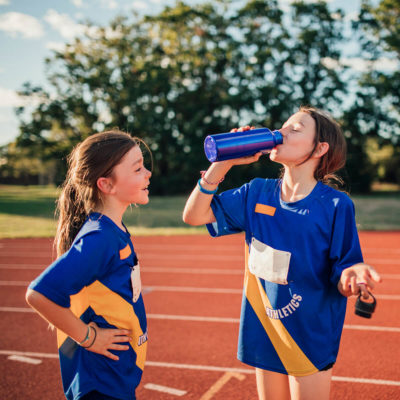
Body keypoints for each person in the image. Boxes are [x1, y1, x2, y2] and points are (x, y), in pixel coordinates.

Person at [182, 106, 382, 400]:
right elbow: (194, 216)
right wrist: (221, 164)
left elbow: (344, 272)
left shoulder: (336, 205)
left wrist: (352, 275)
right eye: (284, 126)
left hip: (308, 335)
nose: (282, 132)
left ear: (320, 148)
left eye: (296, 129)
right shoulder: (256, 192)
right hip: (265, 327)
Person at [26, 130, 152, 400]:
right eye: (138, 168)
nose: (148, 173)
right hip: (100, 382)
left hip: (114, 376)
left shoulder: (112, 229)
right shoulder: (100, 237)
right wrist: (89, 338)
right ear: (106, 185)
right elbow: (39, 293)